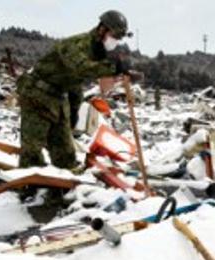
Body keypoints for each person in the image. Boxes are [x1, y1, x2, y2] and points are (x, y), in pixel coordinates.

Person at [17, 10, 132, 170]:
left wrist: (74, 110)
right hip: (37, 94)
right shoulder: (77, 45)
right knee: (32, 151)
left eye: (119, 38)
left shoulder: (96, 52)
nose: (115, 41)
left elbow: (74, 82)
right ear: (102, 29)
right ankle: (28, 188)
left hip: (59, 98)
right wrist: (113, 67)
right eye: (114, 36)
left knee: (65, 153)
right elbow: (81, 68)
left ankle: (64, 189)